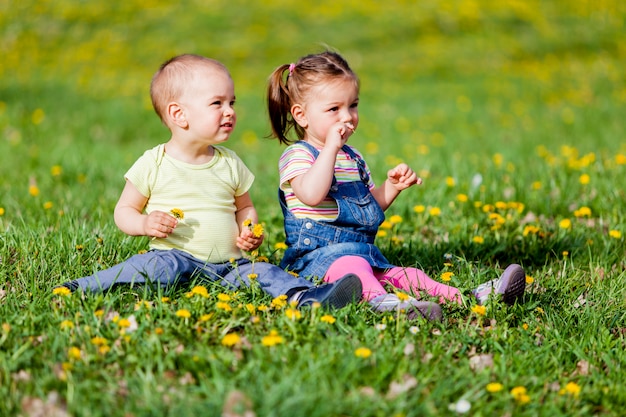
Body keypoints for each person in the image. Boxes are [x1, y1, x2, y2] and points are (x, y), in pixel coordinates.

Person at [58, 54, 363, 309]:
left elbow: (244, 207)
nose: (230, 111)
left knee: (265, 272)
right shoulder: (153, 162)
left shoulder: (229, 162)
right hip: (174, 255)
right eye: (217, 104)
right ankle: (83, 287)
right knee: (150, 267)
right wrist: (144, 224)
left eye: (232, 102)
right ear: (179, 114)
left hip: (231, 264)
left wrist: (249, 231)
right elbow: (123, 210)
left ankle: (306, 297)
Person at [266, 51, 526, 321]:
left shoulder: (352, 158)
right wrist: (330, 148)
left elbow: (366, 210)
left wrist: (392, 187)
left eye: (353, 105)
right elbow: (311, 195)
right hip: (315, 261)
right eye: (334, 109)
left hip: (362, 253)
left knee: (409, 275)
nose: (347, 117)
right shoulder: (299, 155)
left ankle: (471, 297)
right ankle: (384, 303)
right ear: (301, 115)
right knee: (353, 268)